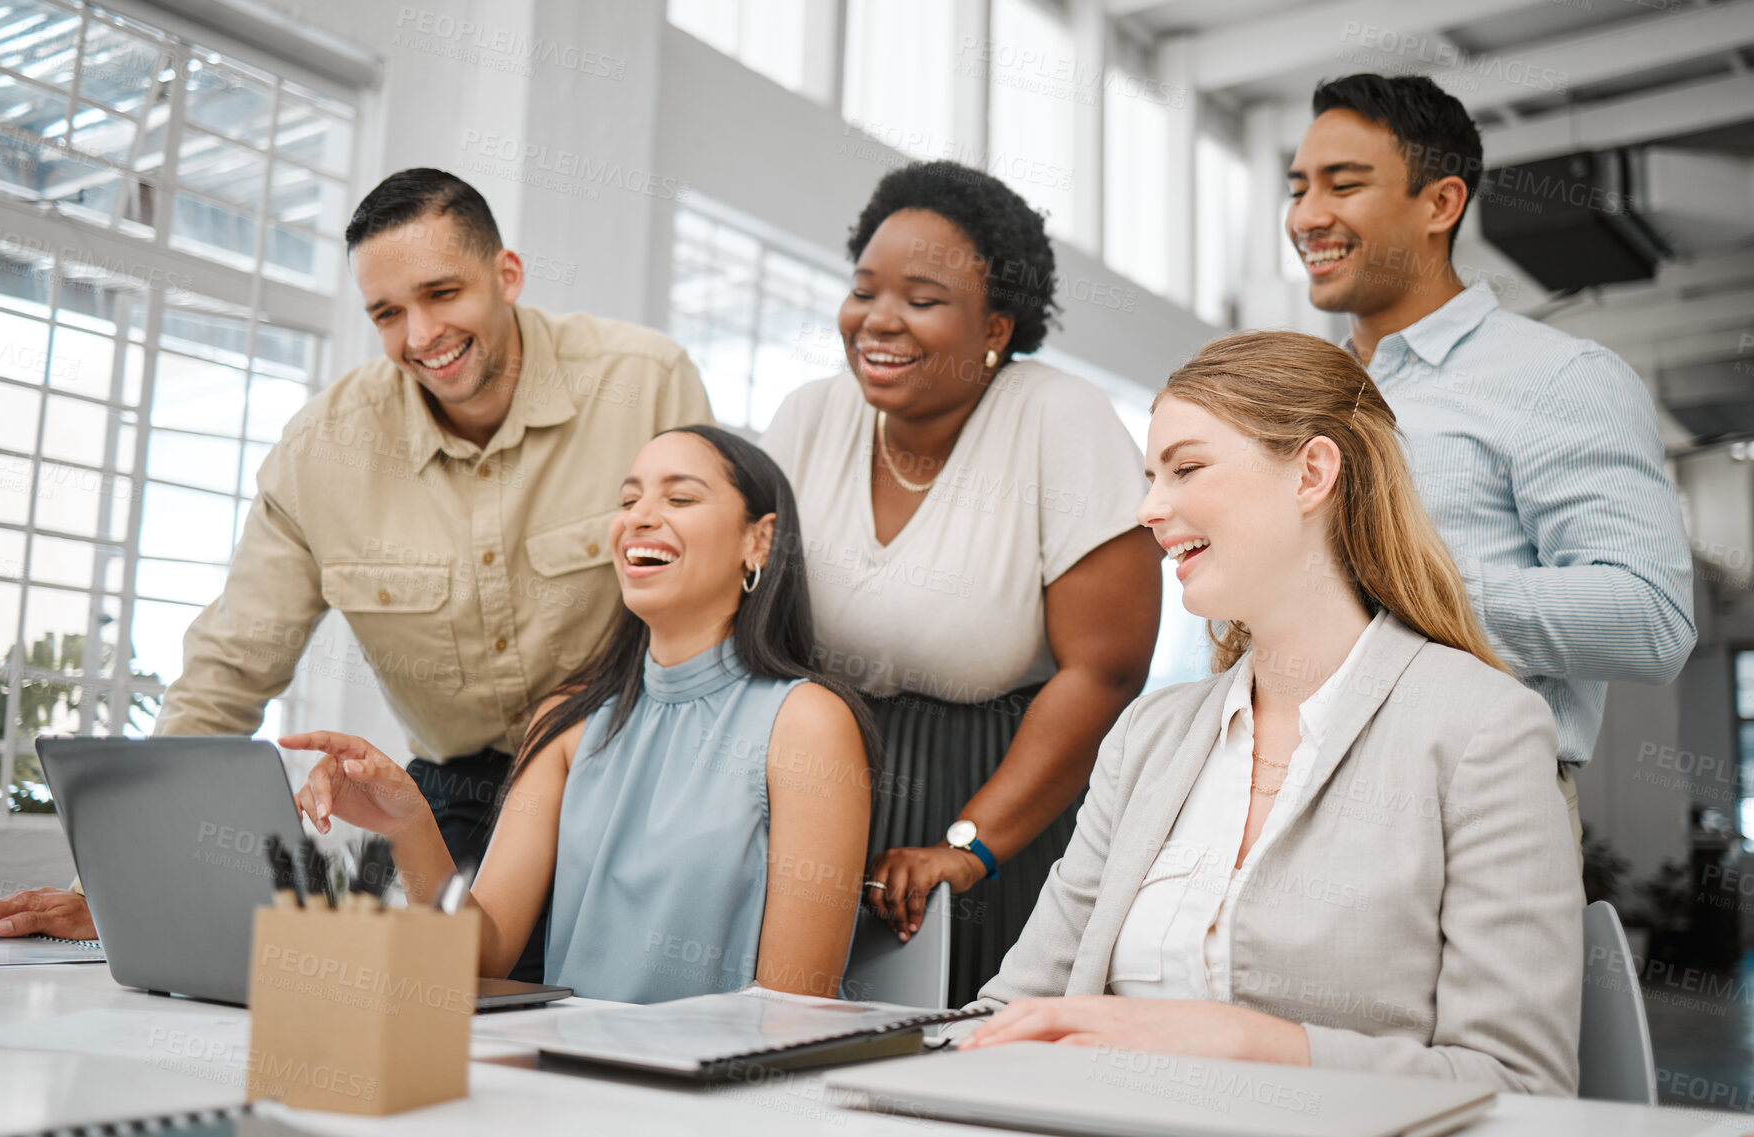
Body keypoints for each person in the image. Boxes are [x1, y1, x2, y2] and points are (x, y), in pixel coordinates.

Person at [0, 170, 713, 973]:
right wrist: (114, 883)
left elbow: (717, 598)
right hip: (457, 804)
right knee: (435, 1020)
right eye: (387, 312)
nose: (421, 333)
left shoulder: (645, 383)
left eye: (443, 293)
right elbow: (228, 669)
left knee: (630, 1007)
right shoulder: (320, 452)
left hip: (637, 773)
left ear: (506, 274)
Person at [945, 332, 1583, 1097]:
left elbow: (1520, 1083)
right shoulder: (1149, 736)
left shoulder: (1481, 727)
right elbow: (1013, 1008)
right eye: (1149, 477)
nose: (1148, 509)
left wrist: (1246, 1041)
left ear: (1312, 472)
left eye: (1185, 468)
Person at [759, 161, 1162, 1005]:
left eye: (922, 298)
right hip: (816, 801)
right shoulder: (808, 417)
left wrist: (967, 844)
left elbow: (1105, 671)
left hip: (1002, 811)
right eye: (864, 289)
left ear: (995, 325)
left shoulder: (1061, 419)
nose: (878, 319)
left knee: (968, 1063)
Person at [284, 426, 874, 1001]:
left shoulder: (809, 722)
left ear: (760, 541)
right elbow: (478, 961)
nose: (638, 517)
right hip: (574, 1076)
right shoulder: (566, 722)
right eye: (627, 499)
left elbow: (794, 1006)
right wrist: (407, 820)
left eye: (680, 497)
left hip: (723, 1086)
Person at [1285, 74, 1695, 844]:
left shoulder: (1558, 378)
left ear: (1439, 204)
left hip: (1474, 808)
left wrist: (1401, 592)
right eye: (1298, 187)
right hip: (1299, 790)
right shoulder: (1315, 397)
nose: (1306, 215)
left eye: (1343, 185)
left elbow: (1651, 618)